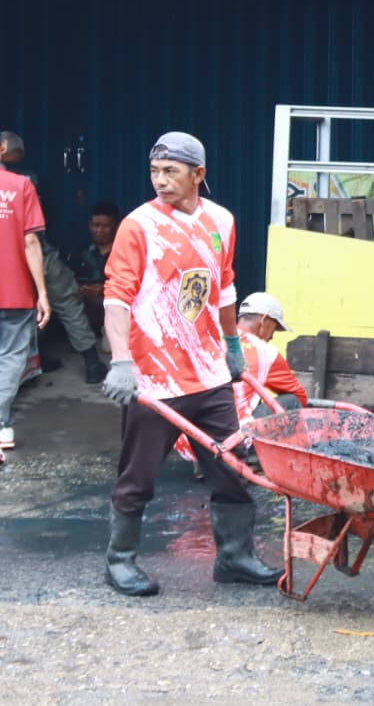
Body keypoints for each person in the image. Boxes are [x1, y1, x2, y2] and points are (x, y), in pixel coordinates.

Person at [100, 131, 282, 597]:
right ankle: (119, 562)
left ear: (198, 174)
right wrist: (121, 360)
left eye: (171, 172)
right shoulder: (138, 226)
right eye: (155, 172)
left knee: (232, 468)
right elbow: (116, 298)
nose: (160, 181)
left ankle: (235, 557)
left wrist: (231, 345)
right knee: (137, 477)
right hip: (153, 379)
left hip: (208, 374)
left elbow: (223, 289)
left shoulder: (221, 220)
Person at [0, 132, 109, 385]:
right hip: (38, 253)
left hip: (8, 260)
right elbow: (34, 230)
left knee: (19, 314)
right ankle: (91, 363)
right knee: (68, 303)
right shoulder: (25, 180)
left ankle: (31, 362)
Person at [177, 292, 308, 475]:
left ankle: (204, 462)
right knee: (291, 402)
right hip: (231, 442)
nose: (272, 337)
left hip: (189, 442)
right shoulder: (266, 352)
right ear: (264, 321)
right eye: (275, 328)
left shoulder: (210, 338)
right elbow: (300, 397)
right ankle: (247, 459)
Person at [0, 155, 52, 451]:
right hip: (14, 290)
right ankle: (1, 423)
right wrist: (42, 292)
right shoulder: (21, 186)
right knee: (9, 358)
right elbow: (31, 241)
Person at [74, 200, 121, 335]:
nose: (100, 230)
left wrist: (102, 290)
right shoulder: (80, 253)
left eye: (106, 226)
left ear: (116, 226)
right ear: (90, 225)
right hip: (83, 312)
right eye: (96, 225)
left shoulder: (123, 253)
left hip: (112, 310)